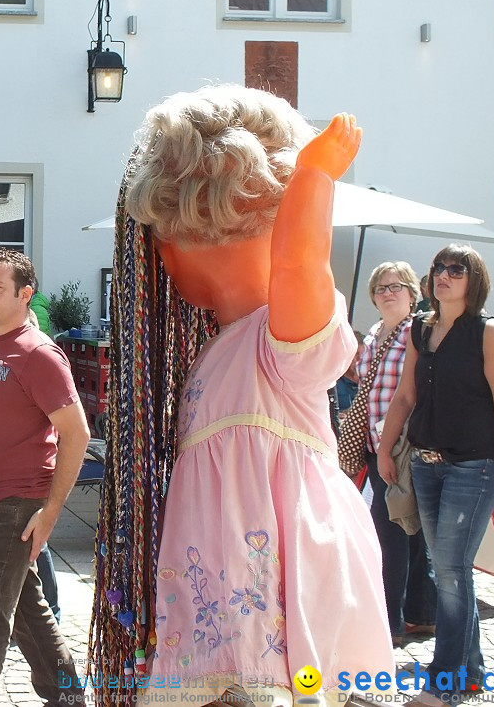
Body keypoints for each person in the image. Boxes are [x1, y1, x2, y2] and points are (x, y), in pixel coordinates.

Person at [99, 86, 392, 706]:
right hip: (220, 599)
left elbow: (300, 269)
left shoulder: (279, 341)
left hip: (281, 587)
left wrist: (313, 178)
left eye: (163, 233)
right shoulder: (212, 352)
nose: (156, 251)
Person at [378, 245, 494, 701]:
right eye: (438, 268)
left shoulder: (490, 333)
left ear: (474, 279)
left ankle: (447, 679)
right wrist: (386, 450)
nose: (444, 275)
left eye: (455, 269)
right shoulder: (421, 330)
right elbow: (404, 397)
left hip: (476, 466)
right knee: (450, 571)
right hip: (425, 466)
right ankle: (473, 667)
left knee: (452, 569)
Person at [0, 248, 89, 707]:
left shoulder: (39, 353)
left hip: (15, 506)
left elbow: (76, 433)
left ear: (25, 295)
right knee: (30, 617)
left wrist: (51, 512)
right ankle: (69, 696)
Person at [354, 262, 436, 647]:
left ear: (412, 294)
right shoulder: (373, 335)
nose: (388, 293)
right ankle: (422, 613)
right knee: (409, 528)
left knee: (392, 531)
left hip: (403, 445)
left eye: (396, 286)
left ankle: (390, 620)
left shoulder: (417, 332)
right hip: (376, 445)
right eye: (381, 287)